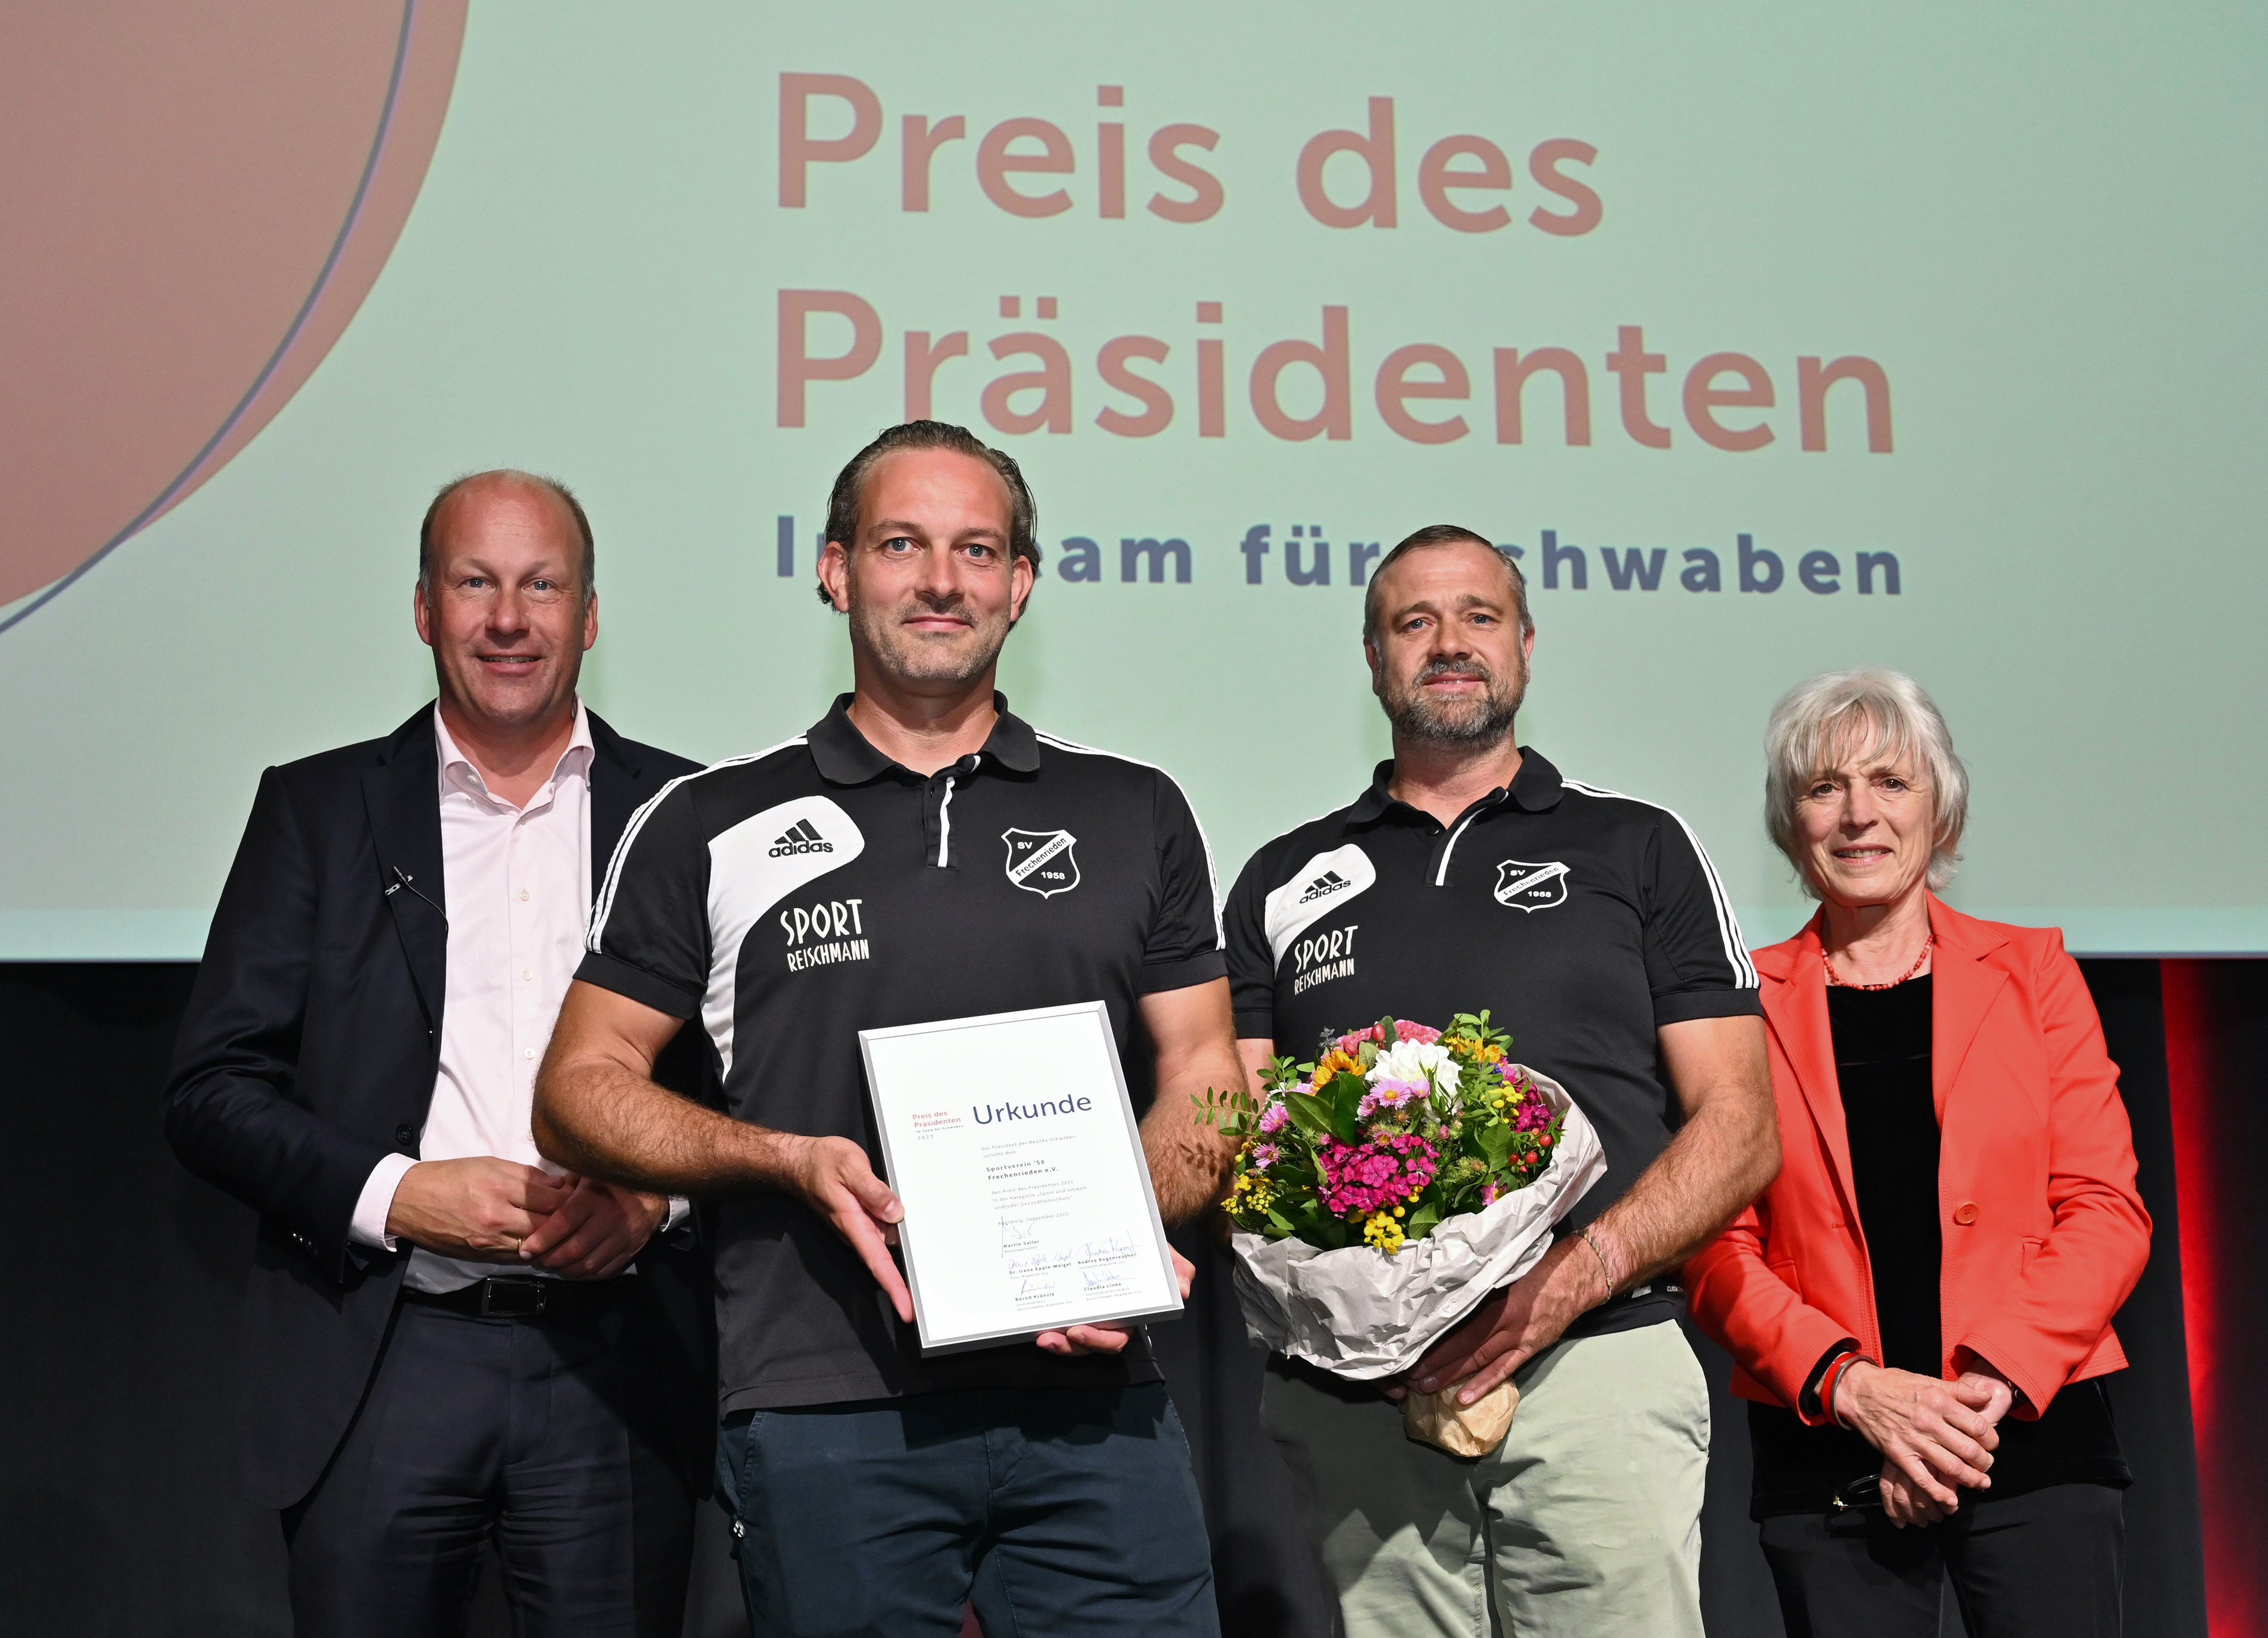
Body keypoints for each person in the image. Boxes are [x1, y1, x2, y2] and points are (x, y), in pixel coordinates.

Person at [532, 420, 1235, 1638]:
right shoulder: (709, 818)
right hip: (824, 1404)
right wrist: (783, 1158)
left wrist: (1120, 1224)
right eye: (902, 543)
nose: (941, 579)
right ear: (835, 569)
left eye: (976, 549)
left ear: (1020, 583)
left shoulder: (1133, 809)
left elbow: (1207, 1075)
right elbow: (578, 1088)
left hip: (1092, 1398)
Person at [164, 471, 712, 1636]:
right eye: (475, 583)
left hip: (618, 1367)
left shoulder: (685, 815)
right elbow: (211, 1088)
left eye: (540, 584)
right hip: (384, 1355)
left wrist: (652, 1199)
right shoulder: (314, 811)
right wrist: (398, 1195)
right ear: (424, 609)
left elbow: (748, 1086)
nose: (507, 618)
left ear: (590, 614)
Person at [1216, 524, 1780, 1638]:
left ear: (1525, 643)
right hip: (1355, 1397)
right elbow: (1245, 1143)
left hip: (1600, 1361)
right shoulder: (1282, 877)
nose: (1448, 643)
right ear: (1373, 658)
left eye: (1478, 616)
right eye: (1412, 621)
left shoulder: (1638, 845)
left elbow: (1743, 1123)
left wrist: (1566, 1280)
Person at [1683, 667, 2153, 1637]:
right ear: (1791, 823)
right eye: (1825, 787)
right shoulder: (1743, 1006)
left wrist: (1971, 1403)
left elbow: (2107, 1211)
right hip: (1829, 1456)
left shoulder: (2036, 973)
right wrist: (1860, 1391)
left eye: (1891, 782)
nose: (1859, 814)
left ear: (1940, 811)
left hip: (2028, 1440)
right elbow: (1715, 1247)